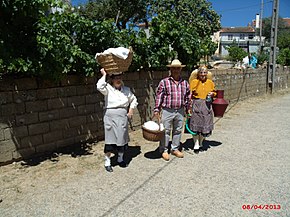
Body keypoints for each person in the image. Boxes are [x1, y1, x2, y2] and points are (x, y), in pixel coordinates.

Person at [96, 68, 138, 172]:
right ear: (112, 79)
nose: (118, 80)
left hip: (122, 117)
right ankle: (107, 161)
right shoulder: (108, 89)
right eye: (116, 78)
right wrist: (104, 74)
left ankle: (120, 159)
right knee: (110, 139)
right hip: (110, 117)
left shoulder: (127, 90)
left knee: (121, 138)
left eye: (120, 77)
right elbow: (99, 86)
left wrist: (131, 110)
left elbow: (134, 100)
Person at [154, 59, 190, 161]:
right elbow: (159, 96)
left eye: (178, 68)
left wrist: (188, 109)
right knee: (165, 131)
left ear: (180, 70)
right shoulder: (164, 82)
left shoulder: (185, 83)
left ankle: (175, 148)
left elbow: (188, 97)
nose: (176, 70)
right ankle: (164, 150)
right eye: (174, 68)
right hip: (167, 110)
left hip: (180, 110)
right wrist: (157, 109)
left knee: (178, 130)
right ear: (170, 69)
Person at [189, 66, 216, 153]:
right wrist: (189, 106)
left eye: (205, 72)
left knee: (205, 125)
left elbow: (215, 92)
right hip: (196, 104)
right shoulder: (194, 82)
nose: (203, 74)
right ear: (198, 73)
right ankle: (196, 144)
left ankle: (201, 142)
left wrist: (213, 94)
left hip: (207, 105)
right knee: (195, 125)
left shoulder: (210, 82)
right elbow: (190, 94)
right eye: (201, 72)